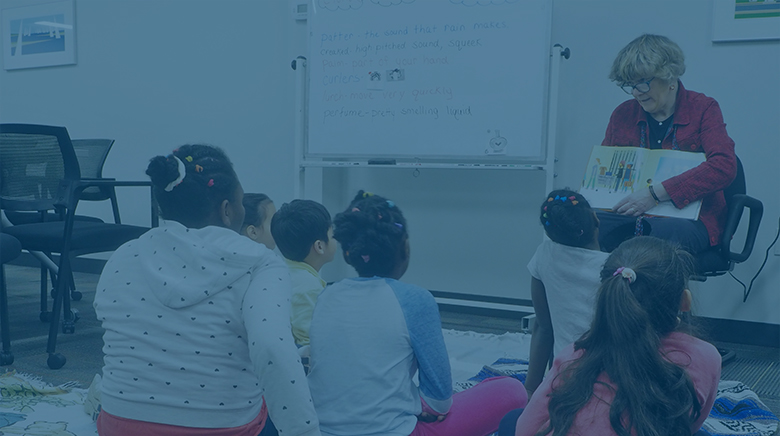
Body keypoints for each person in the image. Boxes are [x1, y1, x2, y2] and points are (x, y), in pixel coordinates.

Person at [93, 144, 320, 436]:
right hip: (222, 429)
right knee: (281, 394)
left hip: (119, 424)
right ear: (227, 211)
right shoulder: (259, 262)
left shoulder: (125, 254)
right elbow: (272, 349)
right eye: (239, 203)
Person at [307, 191, 527, 436]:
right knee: (511, 391)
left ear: (349, 252)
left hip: (321, 430)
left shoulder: (326, 295)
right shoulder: (415, 300)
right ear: (405, 247)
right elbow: (439, 402)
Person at [501, 236, 721, 436]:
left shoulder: (574, 356)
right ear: (685, 301)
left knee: (511, 420)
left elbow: (525, 430)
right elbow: (691, 423)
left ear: (607, 297)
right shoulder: (706, 357)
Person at [598, 34, 737, 254]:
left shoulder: (703, 108)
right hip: (633, 216)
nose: (635, 93)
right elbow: (606, 173)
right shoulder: (622, 114)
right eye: (630, 85)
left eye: (642, 84)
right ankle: (608, 288)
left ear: (669, 77)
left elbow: (724, 167)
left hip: (688, 219)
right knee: (586, 225)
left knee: (660, 237)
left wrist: (655, 194)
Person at [524, 190, 609, 398]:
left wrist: (531, 390)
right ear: (595, 219)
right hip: (612, 380)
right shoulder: (617, 267)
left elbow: (544, 328)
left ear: (550, 234)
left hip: (564, 380)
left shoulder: (543, 255)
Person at [270, 199, 336, 347]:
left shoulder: (282, 271)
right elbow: (311, 341)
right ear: (319, 246)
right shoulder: (308, 287)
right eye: (333, 235)